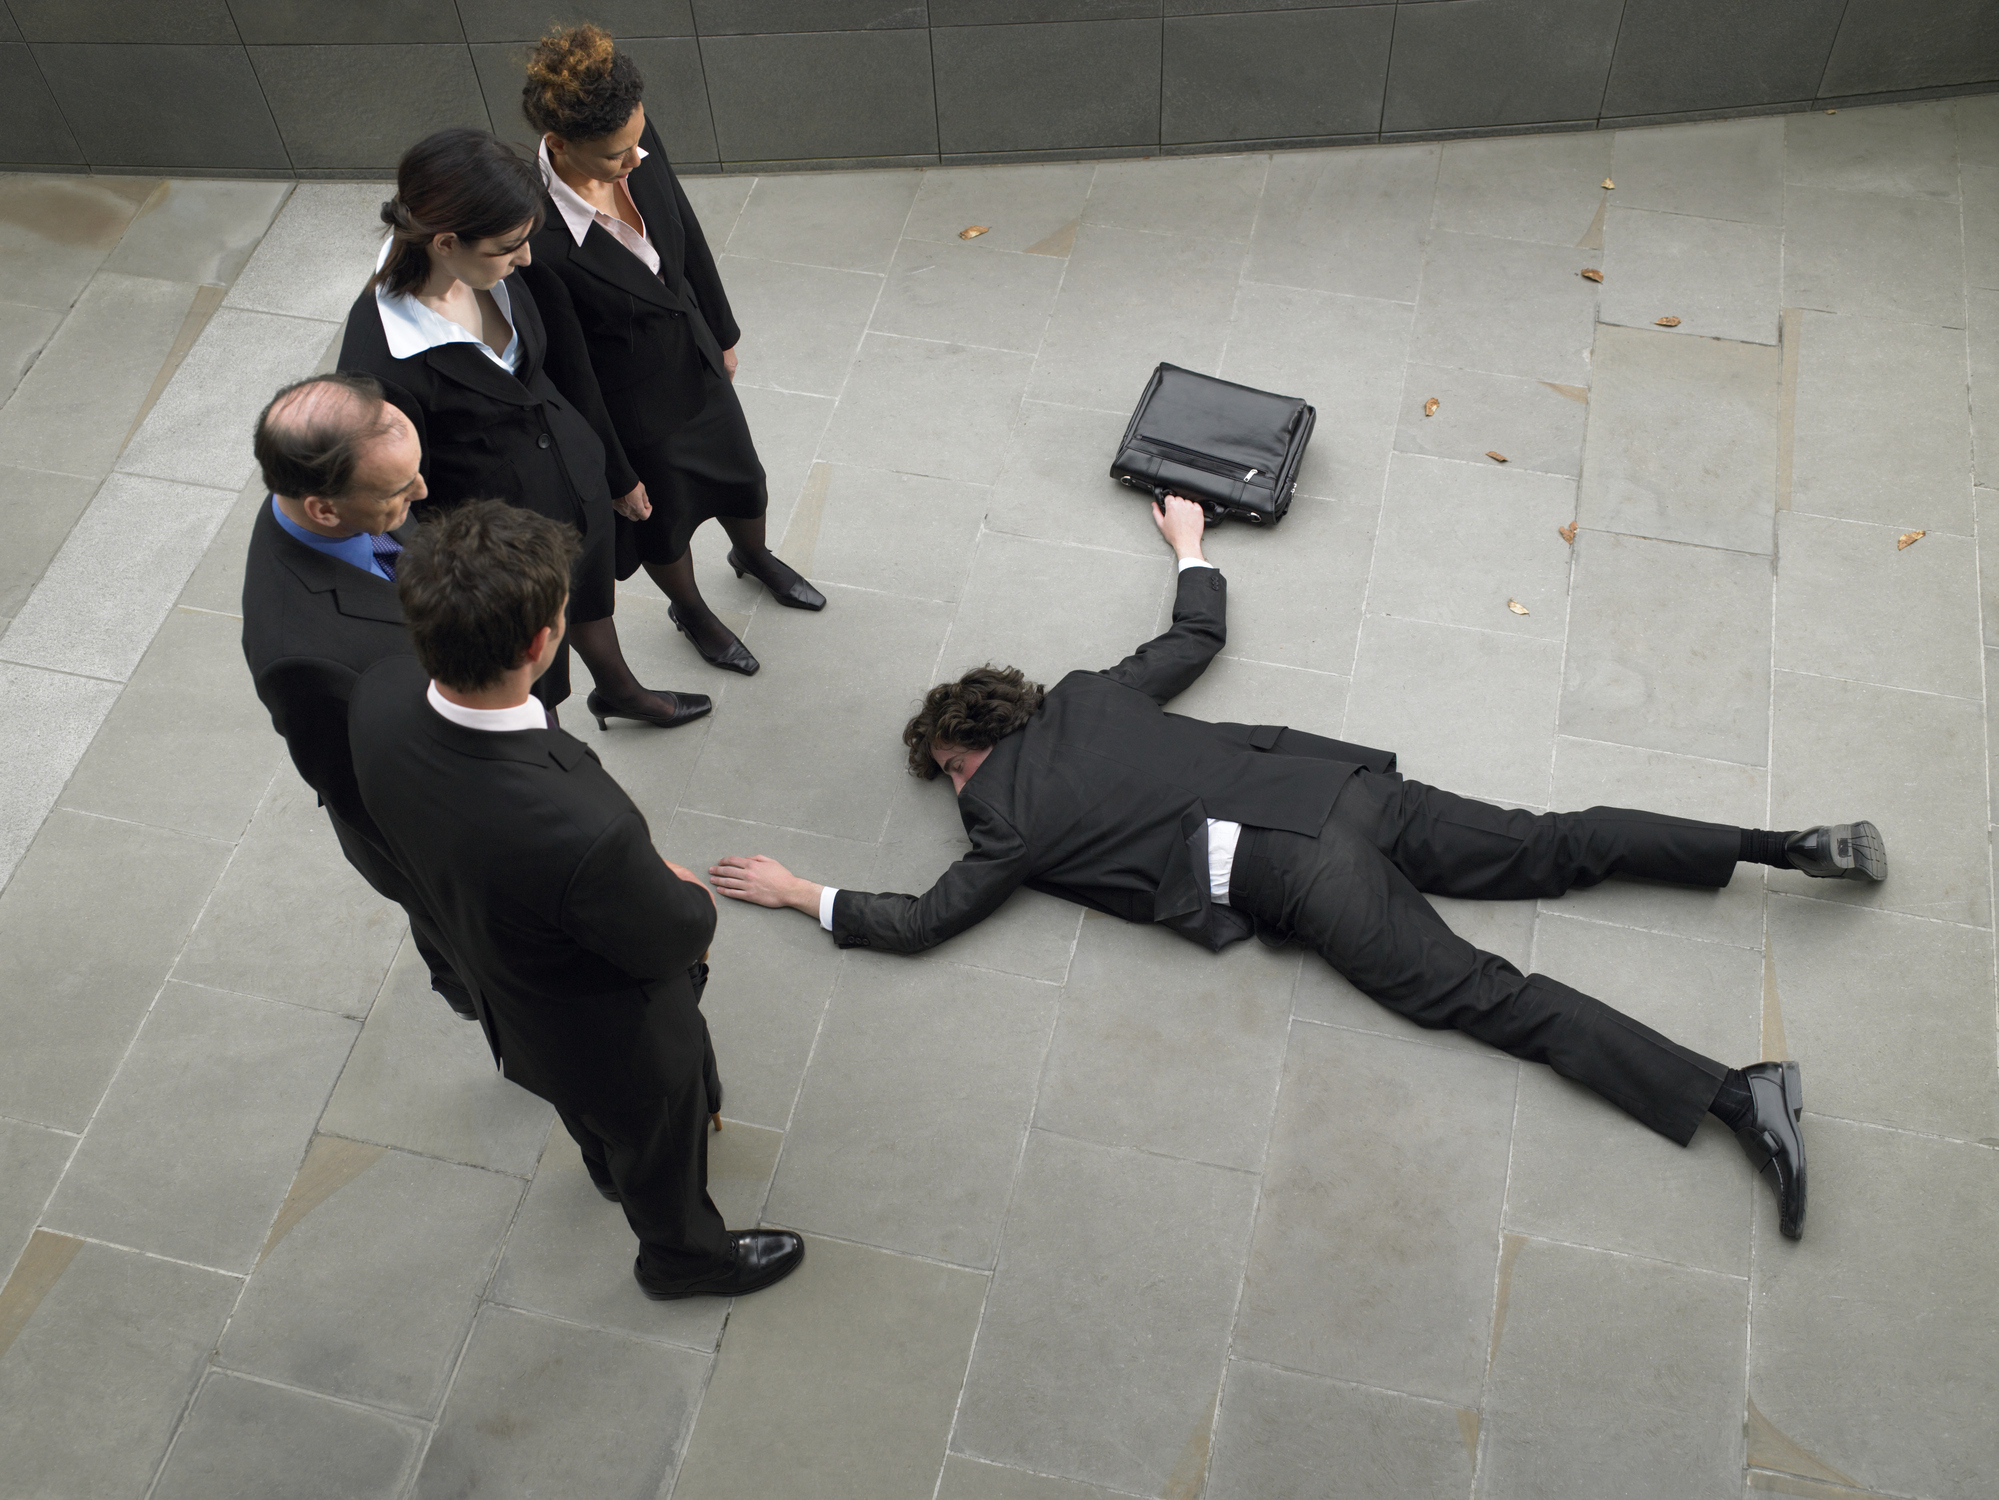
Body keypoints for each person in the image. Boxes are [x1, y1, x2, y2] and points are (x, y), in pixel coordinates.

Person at [712, 496, 1888, 1243]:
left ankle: (1735, 1093)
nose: (956, 793)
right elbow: (1194, 639)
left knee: (1487, 999)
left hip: (1295, 867)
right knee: (1553, 841)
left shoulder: (1004, 817)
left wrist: (799, 893)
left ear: (958, 751)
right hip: (1342, 790)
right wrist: (1189, 544)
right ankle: (1784, 848)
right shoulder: (1087, 697)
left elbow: (923, 921)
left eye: (948, 775)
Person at [348, 500, 804, 1299]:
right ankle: (684, 1260)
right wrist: (684, 884)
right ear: (540, 641)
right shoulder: (575, 828)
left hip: (508, 989)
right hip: (614, 1035)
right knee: (659, 1144)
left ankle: (602, 1165)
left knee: (593, 1117)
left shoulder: (378, 699)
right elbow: (675, 930)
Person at [337, 125, 708, 730]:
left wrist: (613, 473)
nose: (527, 259)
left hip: (573, 488)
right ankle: (548, 738)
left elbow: (564, 371)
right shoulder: (381, 364)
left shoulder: (496, 269)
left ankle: (618, 691)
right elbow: (398, 512)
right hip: (502, 550)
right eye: (509, 247)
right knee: (536, 674)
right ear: (444, 242)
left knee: (589, 597)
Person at [517, 24, 822, 678]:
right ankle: (690, 610)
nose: (634, 161)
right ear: (560, 144)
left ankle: (753, 557)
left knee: (745, 479)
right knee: (665, 521)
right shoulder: (536, 237)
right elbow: (572, 372)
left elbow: (684, 226)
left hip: (697, 361)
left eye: (637, 141)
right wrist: (618, 474)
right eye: (615, 156)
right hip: (636, 410)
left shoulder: (631, 138)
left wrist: (723, 330)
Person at [241, 372, 474, 1020]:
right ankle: (470, 996)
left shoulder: (358, 498)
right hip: (433, 828)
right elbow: (359, 792)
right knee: (463, 937)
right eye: (401, 490)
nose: (423, 494)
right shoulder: (299, 658)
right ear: (322, 508)